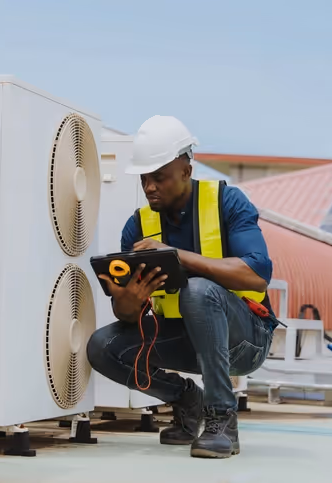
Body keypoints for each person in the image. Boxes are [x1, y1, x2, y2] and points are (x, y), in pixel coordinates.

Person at [86, 115, 278, 459]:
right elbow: (128, 315)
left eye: (159, 177)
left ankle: (222, 418)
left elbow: (257, 274)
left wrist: (179, 257)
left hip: (246, 340)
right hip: (188, 339)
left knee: (198, 291)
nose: (149, 188)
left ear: (186, 171)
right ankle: (187, 399)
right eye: (144, 179)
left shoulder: (228, 202)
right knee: (103, 346)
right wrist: (128, 302)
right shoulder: (139, 227)